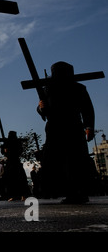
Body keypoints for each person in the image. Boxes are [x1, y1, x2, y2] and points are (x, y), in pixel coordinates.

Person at [37, 61, 95, 204]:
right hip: (54, 128)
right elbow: (42, 109)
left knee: (75, 160)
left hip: (72, 126)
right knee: (54, 159)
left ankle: (79, 193)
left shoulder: (78, 88)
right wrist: (41, 107)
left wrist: (89, 127)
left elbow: (87, 108)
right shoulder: (48, 89)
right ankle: (62, 191)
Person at [0, 131, 30, 201]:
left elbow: (20, 151)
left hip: (16, 161)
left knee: (20, 179)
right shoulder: (6, 143)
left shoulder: (17, 143)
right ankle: (12, 196)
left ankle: (23, 195)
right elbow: (3, 152)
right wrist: (4, 149)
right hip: (10, 162)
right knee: (10, 180)